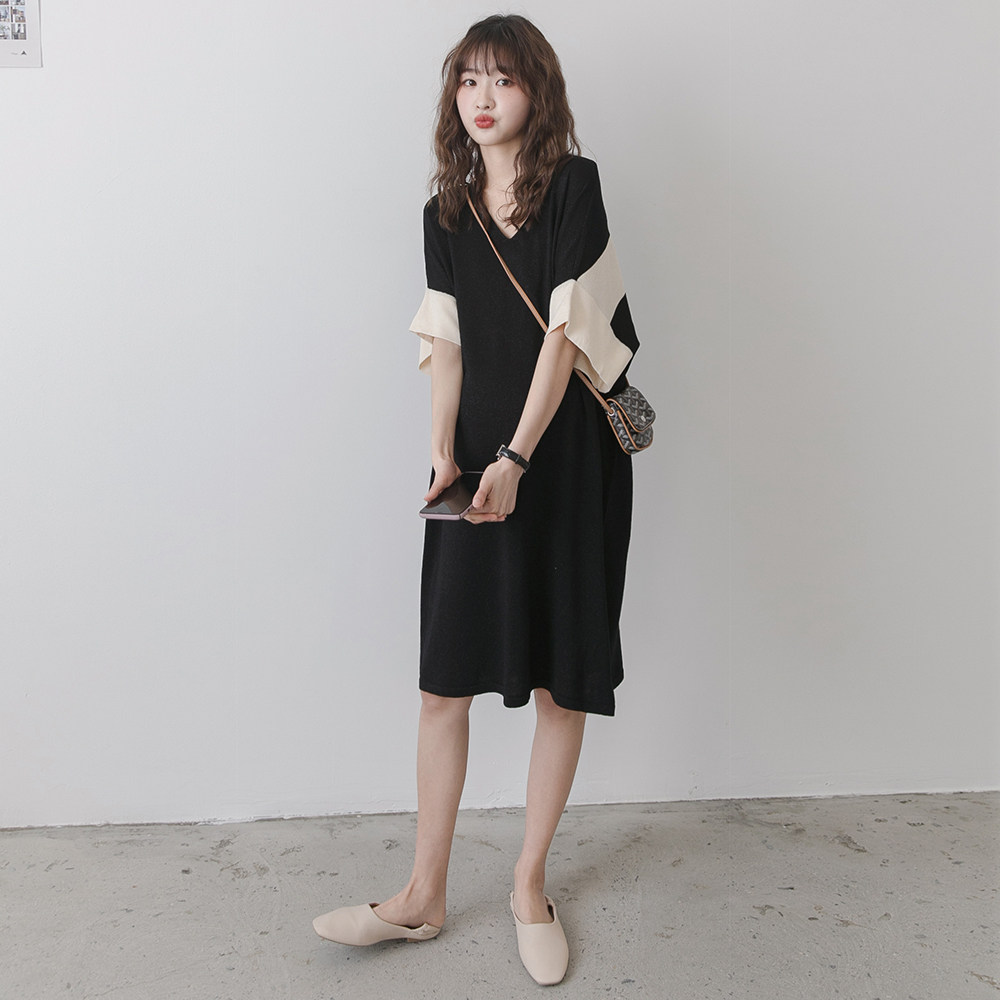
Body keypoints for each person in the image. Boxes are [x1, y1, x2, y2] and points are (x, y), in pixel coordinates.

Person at [313, 14, 640, 986]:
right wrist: (441, 451)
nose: (482, 97)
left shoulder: (573, 185)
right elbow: (447, 343)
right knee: (441, 684)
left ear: (537, 90)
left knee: (559, 681)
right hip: (480, 463)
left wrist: (516, 455)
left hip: (562, 458)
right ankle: (422, 893)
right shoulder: (444, 213)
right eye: (467, 80)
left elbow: (566, 335)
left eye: (502, 78)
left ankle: (529, 886)